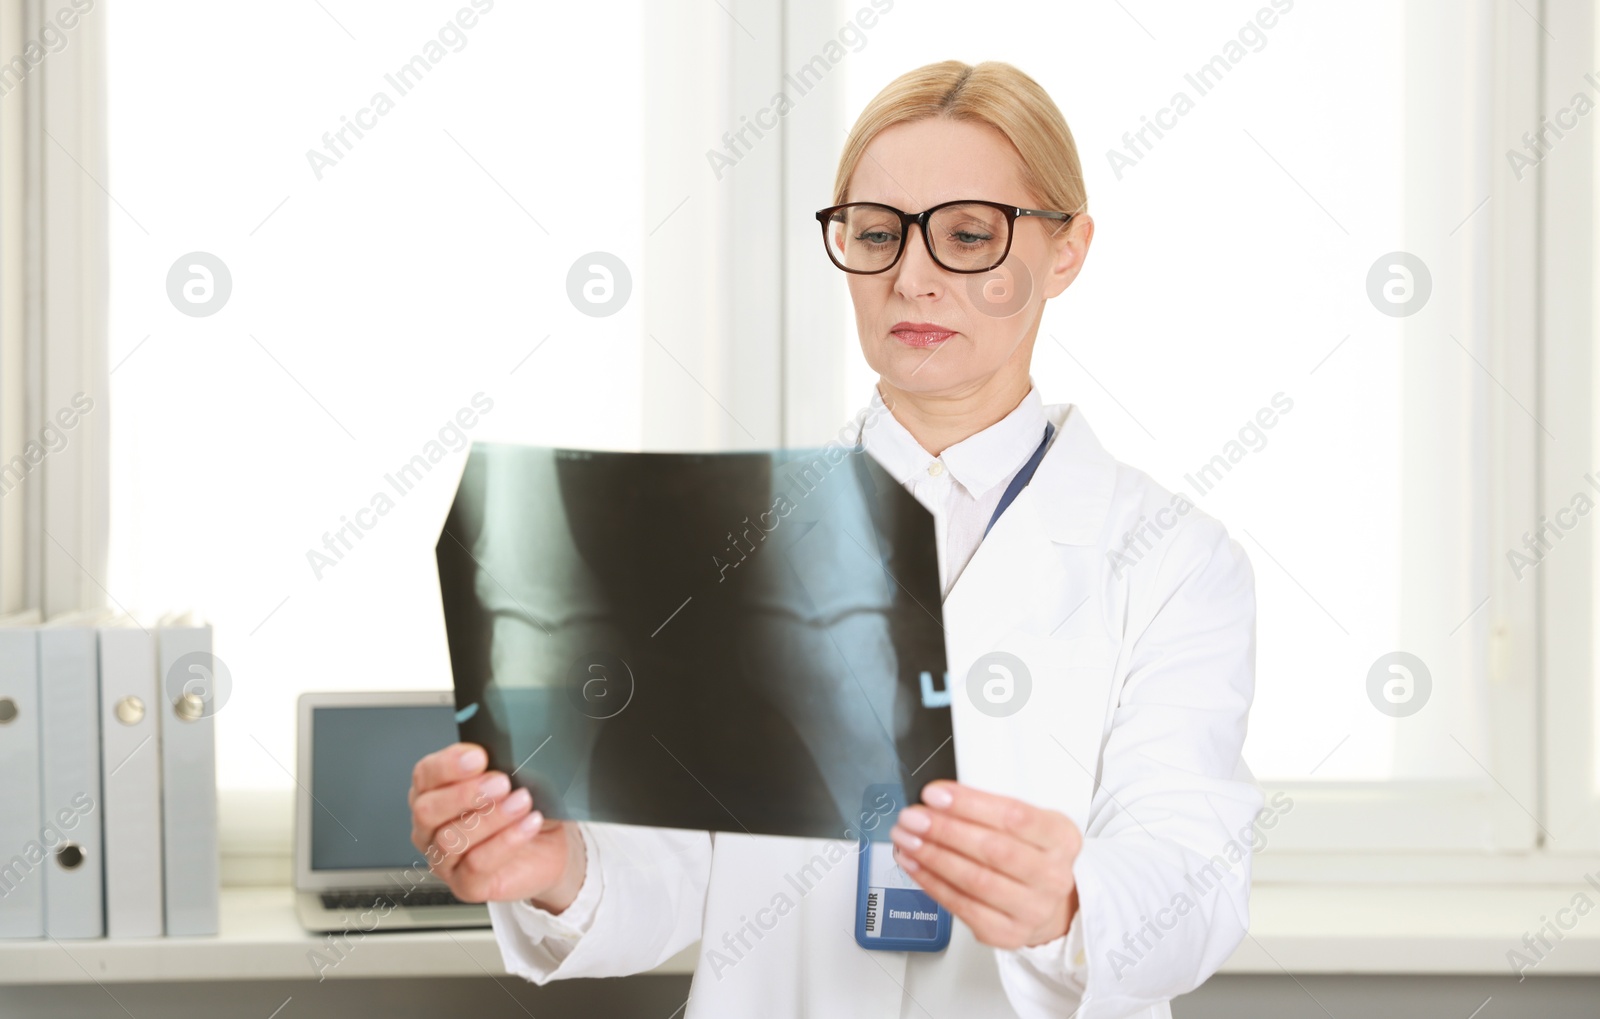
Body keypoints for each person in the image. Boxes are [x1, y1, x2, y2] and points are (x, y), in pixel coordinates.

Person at [409, 59, 1261, 1019]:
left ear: (1067, 251)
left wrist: (1068, 902)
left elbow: (1192, 877)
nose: (913, 277)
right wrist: (554, 861)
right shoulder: (740, 530)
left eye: (969, 235)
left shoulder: (1173, 560)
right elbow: (678, 869)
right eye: (875, 234)